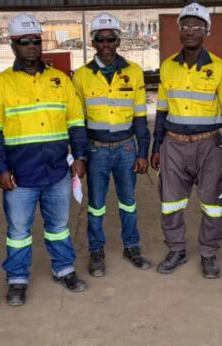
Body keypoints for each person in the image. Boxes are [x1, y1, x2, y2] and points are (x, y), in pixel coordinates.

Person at [0, 14, 89, 307]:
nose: (31, 46)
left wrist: (79, 157)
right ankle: (17, 279)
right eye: (24, 42)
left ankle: (64, 268)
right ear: (13, 45)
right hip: (19, 175)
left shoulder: (60, 81)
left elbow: (76, 123)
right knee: (18, 231)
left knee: (60, 225)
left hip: (57, 171)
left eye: (36, 41)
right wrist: (0, 169)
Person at [151, 2, 222, 279]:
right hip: (173, 144)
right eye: (185, 26)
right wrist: (157, 147)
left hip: (208, 145)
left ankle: (209, 253)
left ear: (206, 31)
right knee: (170, 202)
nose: (190, 31)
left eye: (197, 27)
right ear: (179, 30)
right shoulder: (168, 67)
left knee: (212, 203)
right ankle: (176, 249)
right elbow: (162, 111)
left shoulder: (220, 69)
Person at [71, 13, 152, 277]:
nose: (105, 44)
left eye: (111, 39)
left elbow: (141, 118)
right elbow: (77, 123)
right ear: (92, 42)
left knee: (128, 202)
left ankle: (132, 246)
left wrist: (143, 152)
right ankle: (96, 251)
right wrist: (79, 156)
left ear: (118, 41)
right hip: (96, 151)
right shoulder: (81, 76)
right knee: (95, 205)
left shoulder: (134, 72)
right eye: (100, 39)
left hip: (127, 148)